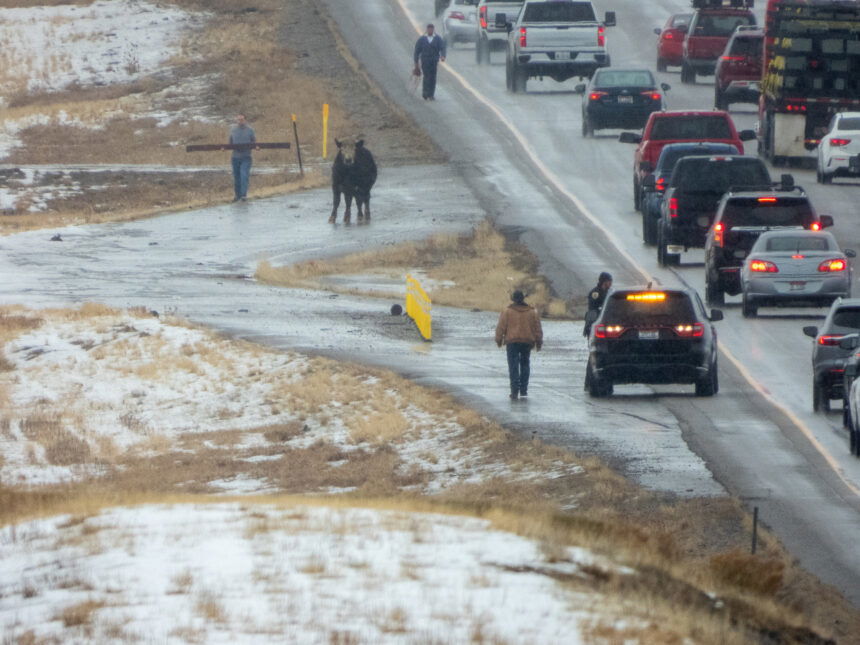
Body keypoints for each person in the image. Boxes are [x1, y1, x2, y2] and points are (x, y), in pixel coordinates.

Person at [495, 290, 543, 400]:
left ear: (513, 299)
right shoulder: (532, 312)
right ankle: (524, 390)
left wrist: (499, 340)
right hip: (527, 342)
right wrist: (539, 342)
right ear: (523, 298)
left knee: (513, 366)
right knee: (525, 364)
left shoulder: (507, 311)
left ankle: (514, 391)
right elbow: (537, 329)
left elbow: (501, 327)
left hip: (512, 342)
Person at [413, 24, 447, 101]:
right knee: (426, 76)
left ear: (433, 29)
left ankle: (431, 95)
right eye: (429, 29)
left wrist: (443, 56)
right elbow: (417, 51)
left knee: (433, 77)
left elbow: (443, 48)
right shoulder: (422, 39)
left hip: (434, 61)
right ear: (427, 29)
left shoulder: (438, 39)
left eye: (431, 29)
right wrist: (416, 62)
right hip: (425, 61)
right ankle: (425, 93)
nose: (430, 31)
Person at [229, 114, 256, 202]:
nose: (240, 121)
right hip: (235, 157)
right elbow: (230, 143)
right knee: (237, 177)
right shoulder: (233, 130)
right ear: (236, 121)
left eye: (242, 119)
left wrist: (256, 147)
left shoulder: (250, 130)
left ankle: (243, 195)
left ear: (245, 120)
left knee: (244, 175)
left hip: (246, 157)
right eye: (238, 120)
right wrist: (224, 148)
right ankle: (237, 196)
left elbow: (254, 142)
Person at [583, 272, 613, 337]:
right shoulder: (595, 293)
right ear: (604, 281)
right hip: (595, 318)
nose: (611, 283)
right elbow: (593, 308)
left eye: (611, 281)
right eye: (609, 281)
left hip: (606, 319)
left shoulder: (609, 292)